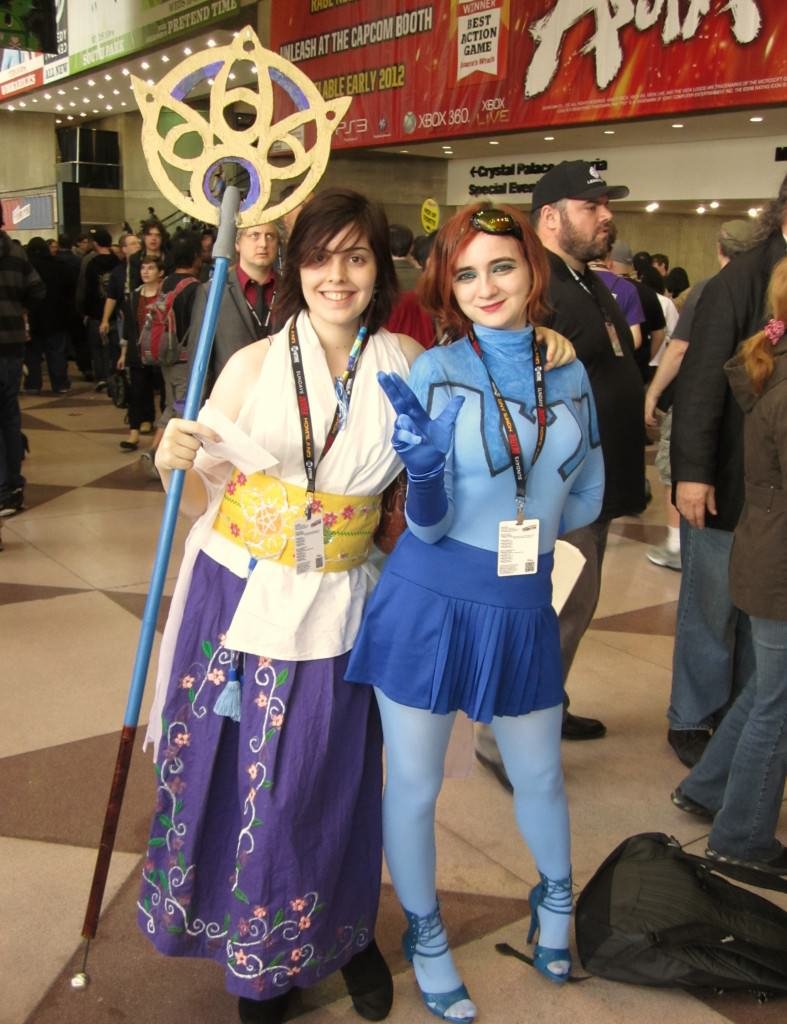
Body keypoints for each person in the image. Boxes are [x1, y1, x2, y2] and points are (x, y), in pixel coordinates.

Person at [138, 189, 421, 1024]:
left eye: (356, 257)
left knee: (329, 780)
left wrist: (539, 343)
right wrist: (170, 453)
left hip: (345, 598)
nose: (338, 276)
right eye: (320, 257)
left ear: (378, 269)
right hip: (239, 593)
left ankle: (342, 932)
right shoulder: (252, 364)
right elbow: (199, 486)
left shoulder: (407, 360)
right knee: (240, 780)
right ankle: (254, 955)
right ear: (296, 268)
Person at [345, 204, 604, 1020]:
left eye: (501, 266)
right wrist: (425, 474)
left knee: (539, 772)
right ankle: (424, 936)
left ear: (532, 270)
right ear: (445, 286)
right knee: (416, 784)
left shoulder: (567, 370)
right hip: (429, 598)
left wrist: (531, 528)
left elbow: (589, 491)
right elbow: (424, 525)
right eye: (465, 273)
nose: (485, 286)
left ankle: (554, 904)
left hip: (520, 602)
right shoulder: (435, 370)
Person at [670, 256, 787, 876]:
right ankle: (741, 838)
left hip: (768, 548)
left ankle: (707, 788)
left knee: (768, 688)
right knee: (779, 703)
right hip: (778, 558)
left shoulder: (774, 362)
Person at [186, 220, 280, 394]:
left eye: (270, 236)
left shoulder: (293, 289)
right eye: (254, 236)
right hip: (231, 399)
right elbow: (200, 363)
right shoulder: (212, 292)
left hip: (282, 398)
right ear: (237, 244)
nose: (263, 244)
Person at [0, 211, 45, 516]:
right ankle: (13, 486)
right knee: (10, 415)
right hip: (12, 343)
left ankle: (4, 488)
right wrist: (18, 309)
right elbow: (38, 289)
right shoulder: (15, 252)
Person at [117, 254, 165, 451]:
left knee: (164, 393)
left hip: (161, 351)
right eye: (143, 268)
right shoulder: (133, 297)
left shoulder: (166, 295)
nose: (145, 272)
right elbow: (129, 328)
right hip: (138, 352)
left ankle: (163, 434)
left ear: (160, 273)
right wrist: (123, 353)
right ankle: (133, 433)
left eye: (151, 268)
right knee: (136, 392)